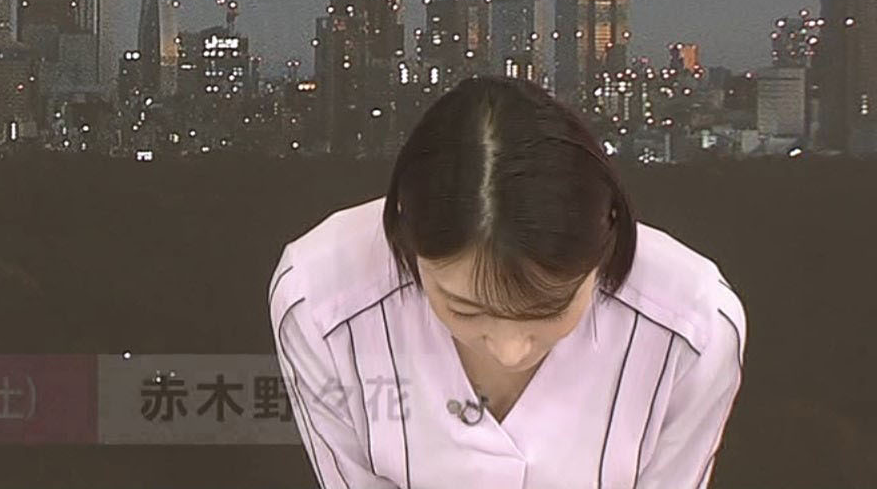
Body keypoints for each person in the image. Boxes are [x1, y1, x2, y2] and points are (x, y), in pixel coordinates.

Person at [269, 75, 745, 489]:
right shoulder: (319, 302)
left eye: (550, 309)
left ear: (606, 239)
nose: (510, 351)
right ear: (405, 233)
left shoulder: (693, 328)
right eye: (465, 309)